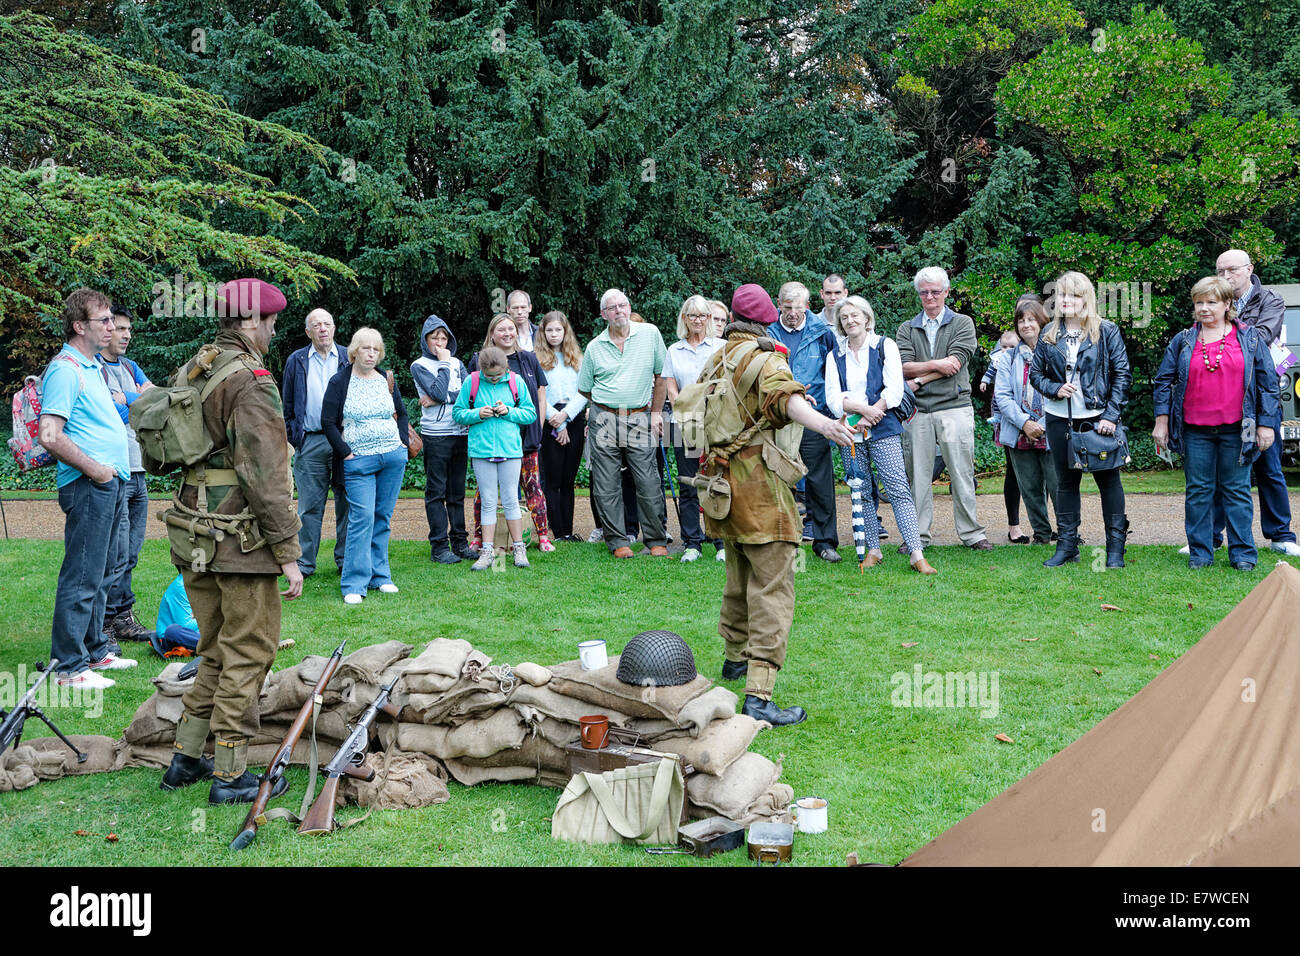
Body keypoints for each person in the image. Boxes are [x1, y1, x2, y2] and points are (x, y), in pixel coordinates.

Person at [158, 277, 303, 804]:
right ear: (249, 322)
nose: (271, 331)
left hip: (192, 533)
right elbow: (266, 477)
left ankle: (185, 758)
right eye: (268, 322)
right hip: (238, 541)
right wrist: (288, 554)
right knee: (250, 650)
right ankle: (232, 774)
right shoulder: (250, 382)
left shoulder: (197, 368)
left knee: (215, 647)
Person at [701, 284, 855, 725]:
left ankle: (734, 658)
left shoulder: (718, 357)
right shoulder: (765, 358)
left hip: (722, 486)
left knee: (738, 574)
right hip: (760, 487)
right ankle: (760, 696)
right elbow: (785, 400)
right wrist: (826, 425)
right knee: (772, 588)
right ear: (767, 319)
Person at [39, 289, 135, 690]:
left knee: (100, 572)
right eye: (105, 321)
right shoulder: (65, 369)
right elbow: (49, 434)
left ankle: (95, 649)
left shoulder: (92, 366)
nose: (112, 327)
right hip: (88, 485)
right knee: (81, 575)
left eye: (112, 320)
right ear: (80, 326)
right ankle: (68, 667)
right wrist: (97, 470)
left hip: (108, 484)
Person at [1153, 277, 1279, 570]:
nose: (1204, 308)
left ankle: (1243, 555)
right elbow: (1162, 382)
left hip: (1240, 428)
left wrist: (1266, 425)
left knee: (1237, 491)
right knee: (1198, 490)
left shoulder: (1249, 338)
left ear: (1227, 305)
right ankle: (1200, 552)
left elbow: (1268, 384)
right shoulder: (1183, 340)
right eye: (1199, 302)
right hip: (1195, 430)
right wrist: (1161, 422)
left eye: (1211, 302)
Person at [824, 296, 935, 573]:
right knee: (860, 490)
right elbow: (833, 399)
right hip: (850, 430)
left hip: (883, 427)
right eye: (845, 317)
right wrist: (861, 411)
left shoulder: (885, 346)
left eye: (855, 315)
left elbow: (895, 389)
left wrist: (873, 412)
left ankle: (916, 553)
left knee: (897, 488)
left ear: (866, 318)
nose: (850, 320)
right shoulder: (834, 355)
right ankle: (873, 549)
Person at [1030, 271, 1132, 568]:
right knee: (1065, 482)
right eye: (1061, 294)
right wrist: (1054, 388)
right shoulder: (1049, 333)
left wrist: (1111, 416)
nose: (1066, 300)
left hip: (1098, 419)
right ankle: (1067, 546)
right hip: (1059, 419)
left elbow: (1122, 375)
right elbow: (1036, 375)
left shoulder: (1106, 330)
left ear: (1086, 298)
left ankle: (1114, 551)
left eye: (1074, 295)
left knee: (1108, 481)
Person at [1207, 249, 1300, 558]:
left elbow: (1260, 337)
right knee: (1223, 470)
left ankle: (1281, 536)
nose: (1225, 276)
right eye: (1220, 271)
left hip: (1261, 396)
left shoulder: (1270, 300)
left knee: (1270, 467)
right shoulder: (1214, 299)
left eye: (1231, 270)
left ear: (1249, 269)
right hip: (1224, 397)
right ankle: (1211, 537)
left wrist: (1222, 336)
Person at [897, 266, 991, 550]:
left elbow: (957, 363)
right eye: (924, 292)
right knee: (918, 476)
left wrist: (922, 376)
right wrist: (938, 364)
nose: (930, 297)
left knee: (961, 473)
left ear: (946, 292)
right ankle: (917, 537)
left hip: (954, 406)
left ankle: (972, 534)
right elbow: (902, 368)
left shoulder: (963, 323)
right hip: (918, 410)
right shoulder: (907, 328)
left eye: (935, 291)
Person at [578, 288, 670, 558]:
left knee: (648, 480)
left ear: (629, 308)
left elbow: (661, 376)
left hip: (640, 416)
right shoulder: (595, 347)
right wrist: (610, 402)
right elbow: (584, 389)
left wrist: (654, 413)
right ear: (603, 314)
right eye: (612, 308)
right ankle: (618, 541)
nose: (619, 311)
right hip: (604, 418)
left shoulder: (650, 334)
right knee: (606, 483)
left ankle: (656, 539)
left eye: (623, 305)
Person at [322, 328, 410, 604]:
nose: (371, 354)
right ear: (354, 351)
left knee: (382, 517)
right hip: (358, 461)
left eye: (375, 349)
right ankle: (354, 583)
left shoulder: (385, 378)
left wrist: (403, 444)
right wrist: (346, 453)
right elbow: (327, 422)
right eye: (365, 348)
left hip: (392, 458)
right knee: (362, 519)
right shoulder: (340, 381)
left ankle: (380, 576)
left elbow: (402, 413)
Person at [767, 281, 842, 562]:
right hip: (778, 417)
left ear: (807, 306)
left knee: (819, 479)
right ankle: (782, 540)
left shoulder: (823, 333)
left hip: (815, 416)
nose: (793, 314)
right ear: (779, 305)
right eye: (787, 308)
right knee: (778, 477)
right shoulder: (768, 333)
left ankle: (824, 542)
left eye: (798, 308)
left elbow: (833, 373)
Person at [469, 313, 554, 551]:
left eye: (511, 329)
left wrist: (538, 428)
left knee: (533, 486)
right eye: (501, 329)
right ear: (492, 334)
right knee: (485, 492)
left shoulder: (528, 359)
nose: (507, 333)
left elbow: (540, 395)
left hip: (525, 436)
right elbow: (468, 400)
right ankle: (480, 537)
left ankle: (542, 535)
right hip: (489, 440)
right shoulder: (478, 359)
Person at [98, 302, 155, 643]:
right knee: (115, 552)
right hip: (114, 471)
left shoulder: (130, 366)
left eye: (129, 330)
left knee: (131, 552)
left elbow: (157, 402)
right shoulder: (95, 369)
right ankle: (103, 624)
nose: (126, 336)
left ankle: (123, 617)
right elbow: (108, 413)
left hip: (139, 469)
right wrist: (135, 405)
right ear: (105, 330)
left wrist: (129, 399)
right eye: (121, 329)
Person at [454, 346, 538, 569]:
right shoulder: (471, 382)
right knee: (488, 501)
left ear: (506, 369)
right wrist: (477, 414)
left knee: (511, 499)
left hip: (510, 449)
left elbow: (530, 414)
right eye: (489, 376)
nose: (493, 379)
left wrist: (509, 411)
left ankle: (519, 549)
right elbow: (458, 413)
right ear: (481, 370)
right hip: (481, 450)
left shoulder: (516, 381)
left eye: (498, 375)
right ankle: (487, 551)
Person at [281, 308, 349, 577]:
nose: (323, 329)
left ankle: (345, 559)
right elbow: (287, 405)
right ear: (308, 332)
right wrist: (296, 438)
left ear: (334, 328)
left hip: (345, 442)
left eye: (327, 324)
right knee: (308, 506)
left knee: (348, 503)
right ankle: (304, 563)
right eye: (316, 325)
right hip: (311, 442)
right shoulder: (296, 361)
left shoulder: (348, 358)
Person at [663, 295, 725, 562]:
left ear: (709, 319)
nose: (697, 320)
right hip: (683, 426)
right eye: (692, 315)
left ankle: (721, 542)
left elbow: (725, 385)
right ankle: (692, 543)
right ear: (684, 319)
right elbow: (670, 387)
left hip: (716, 426)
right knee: (689, 484)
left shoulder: (721, 347)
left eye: (703, 316)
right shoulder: (674, 350)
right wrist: (684, 409)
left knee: (717, 483)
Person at [411, 314, 476, 564]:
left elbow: (470, 394)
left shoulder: (458, 362)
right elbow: (438, 390)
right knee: (436, 492)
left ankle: (460, 543)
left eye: (444, 337)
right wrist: (444, 364)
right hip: (436, 437)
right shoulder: (419, 365)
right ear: (425, 340)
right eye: (434, 337)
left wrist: (442, 396)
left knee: (457, 493)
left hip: (460, 433)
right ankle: (439, 547)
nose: (439, 341)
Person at [995, 297, 1057, 545]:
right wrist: (1025, 423)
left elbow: (1062, 390)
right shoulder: (1009, 358)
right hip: (1019, 432)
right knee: (1030, 489)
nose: (1026, 325)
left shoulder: (1056, 351)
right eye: (1021, 320)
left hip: (1051, 429)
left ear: (1042, 322)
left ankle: (1068, 533)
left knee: (1058, 487)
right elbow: (1002, 395)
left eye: (1031, 319)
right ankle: (1041, 534)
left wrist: (1041, 422)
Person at [534, 311, 588, 542]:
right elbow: (538, 394)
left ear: (565, 332)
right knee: (553, 479)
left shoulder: (577, 358)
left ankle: (568, 530)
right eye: (549, 330)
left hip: (573, 417)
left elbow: (585, 391)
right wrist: (557, 420)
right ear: (543, 333)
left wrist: (566, 417)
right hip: (550, 419)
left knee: (568, 479)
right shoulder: (536, 359)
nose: (554, 334)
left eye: (558, 330)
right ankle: (556, 531)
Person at [982, 329, 1026, 543]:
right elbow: (1000, 394)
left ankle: (1044, 525)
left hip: (1039, 419)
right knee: (1014, 470)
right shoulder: (1001, 361)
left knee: (1047, 474)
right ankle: (1014, 526)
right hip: (1010, 419)